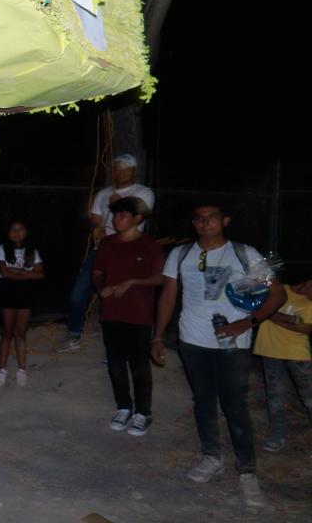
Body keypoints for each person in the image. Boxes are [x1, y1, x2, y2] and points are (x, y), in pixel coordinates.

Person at [152, 204, 285, 507]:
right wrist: (158, 336)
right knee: (203, 400)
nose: (204, 221)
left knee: (235, 404)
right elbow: (169, 295)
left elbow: (278, 294)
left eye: (211, 216)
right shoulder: (181, 254)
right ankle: (212, 456)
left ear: (225, 221)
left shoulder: (244, 253)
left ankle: (247, 471)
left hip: (233, 342)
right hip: (193, 340)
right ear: (193, 223)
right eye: (198, 217)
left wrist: (247, 322)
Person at [56, 154, 155, 353]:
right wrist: (97, 227)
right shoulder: (103, 193)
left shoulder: (144, 192)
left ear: (134, 171)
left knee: (125, 296)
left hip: (130, 248)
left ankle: (128, 343)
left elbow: (138, 217)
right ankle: (74, 334)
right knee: (78, 292)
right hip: (102, 248)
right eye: (118, 168)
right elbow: (96, 218)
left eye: (126, 169)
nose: (122, 172)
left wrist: (120, 202)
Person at [91, 198, 164, 435]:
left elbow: (160, 278)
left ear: (138, 218)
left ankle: (143, 412)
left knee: (139, 366)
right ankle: (123, 407)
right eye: (115, 215)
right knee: (115, 365)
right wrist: (101, 287)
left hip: (139, 314)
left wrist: (132, 282)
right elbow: (97, 271)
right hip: (112, 313)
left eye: (122, 215)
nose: (116, 219)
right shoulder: (107, 243)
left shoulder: (150, 245)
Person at [253, 277, 312, 452]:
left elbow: (307, 329)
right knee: (275, 398)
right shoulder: (279, 290)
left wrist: (270, 315)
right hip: (271, 351)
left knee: (310, 398)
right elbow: (256, 307)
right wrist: (291, 320)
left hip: (298, 354)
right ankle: (277, 436)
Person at [0, 220, 44, 387]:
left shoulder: (32, 251)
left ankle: (21, 369)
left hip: (25, 292)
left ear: (26, 231)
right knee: (7, 331)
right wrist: (28, 273)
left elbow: (41, 274)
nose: (16, 232)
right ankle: (2, 370)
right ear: (8, 232)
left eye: (20, 229)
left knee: (20, 332)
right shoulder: (1, 249)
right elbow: (4, 273)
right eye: (13, 229)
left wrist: (17, 272)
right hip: (7, 291)